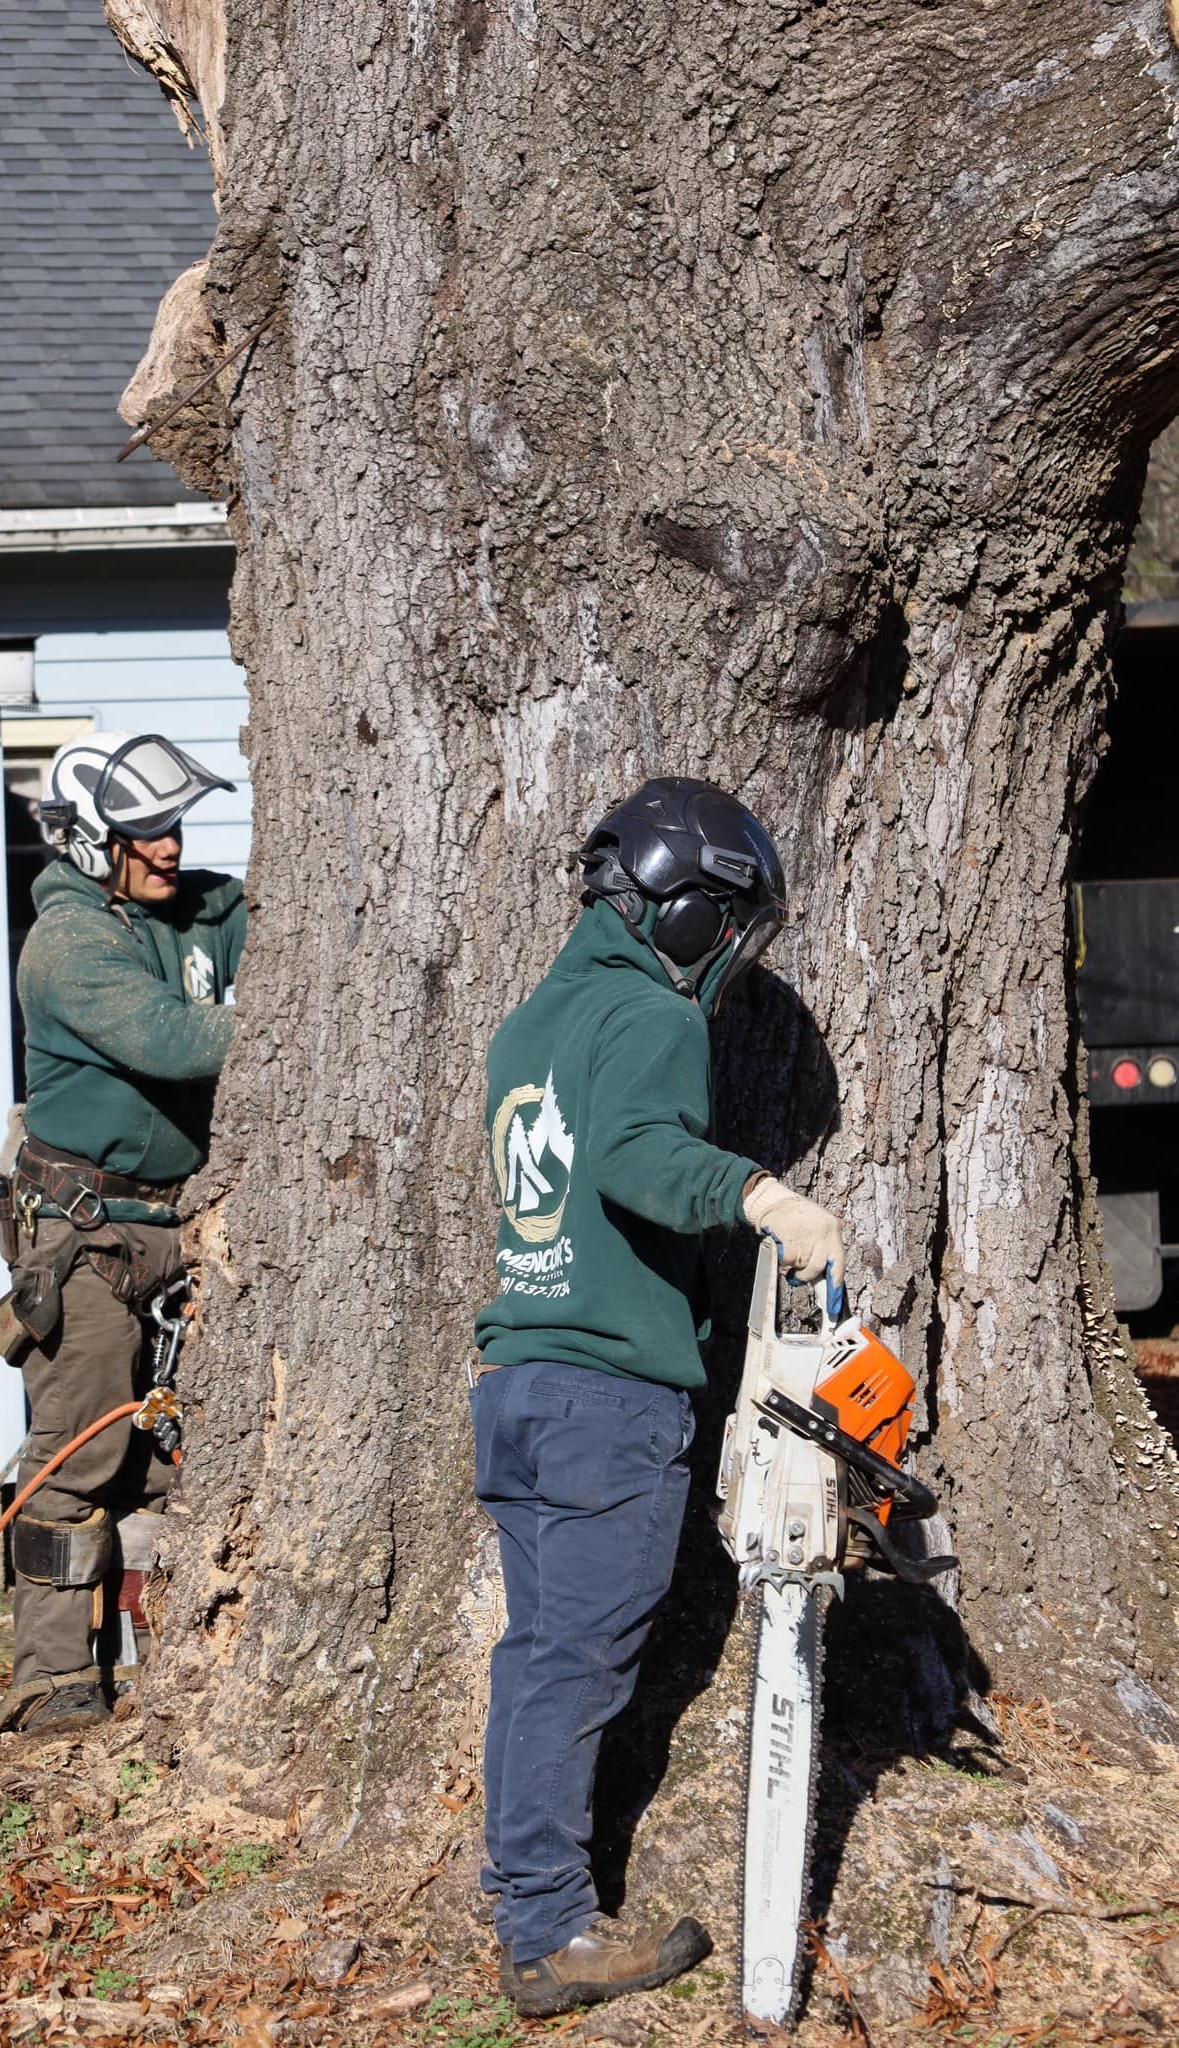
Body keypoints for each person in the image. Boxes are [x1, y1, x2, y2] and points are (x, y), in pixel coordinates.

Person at [469, 776, 845, 2019]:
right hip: (604, 1402)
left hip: (519, 1386)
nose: (732, 962)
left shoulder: (533, 1019)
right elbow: (635, 1152)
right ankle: (551, 1930)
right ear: (688, 909)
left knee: (534, 1660)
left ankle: (526, 1899)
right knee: (574, 1667)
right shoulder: (650, 1014)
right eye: (732, 931)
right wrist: (764, 1197)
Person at [0, 732, 246, 1734]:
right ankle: (53, 1683)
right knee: (77, 1456)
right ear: (91, 846)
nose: (171, 847)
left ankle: (157, 1660)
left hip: (172, 1227)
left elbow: (269, 916)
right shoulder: (67, 946)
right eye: (144, 834)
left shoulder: (190, 907)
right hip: (79, 1235)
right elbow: (168, 1037)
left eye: (175, 825)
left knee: (181, 1451)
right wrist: (291, 1022)